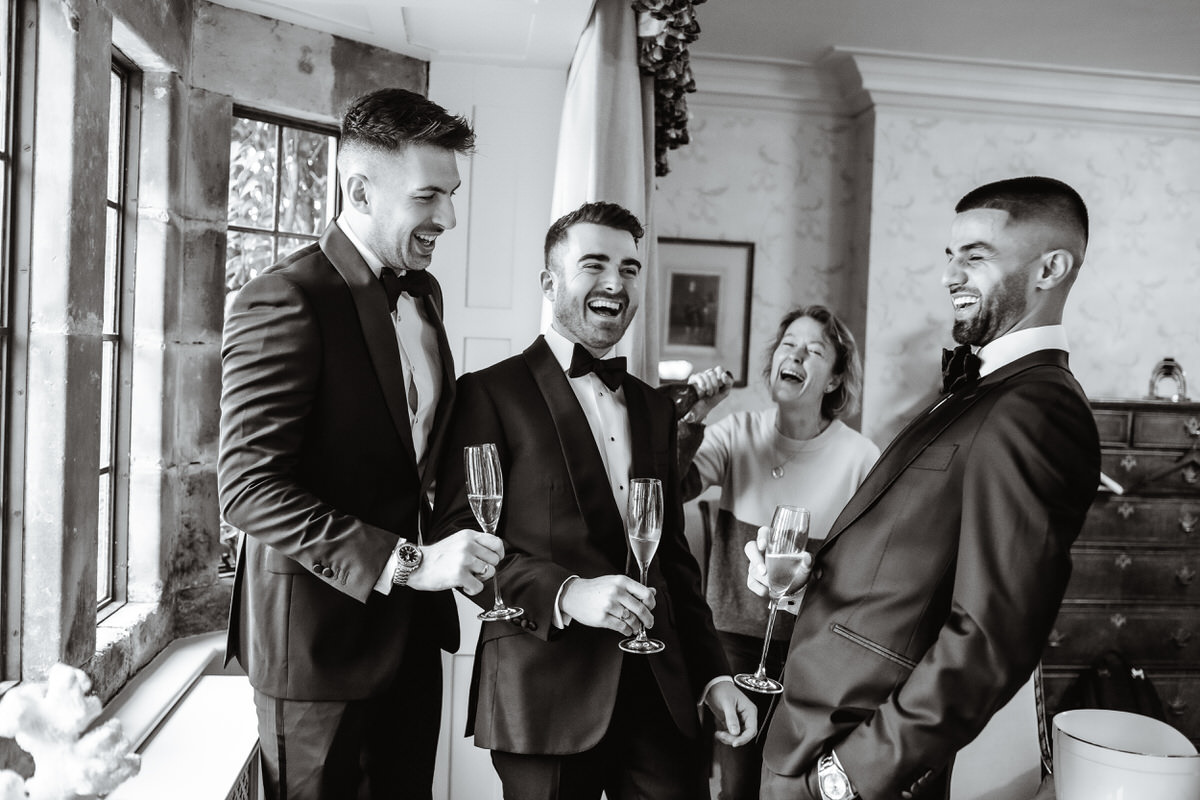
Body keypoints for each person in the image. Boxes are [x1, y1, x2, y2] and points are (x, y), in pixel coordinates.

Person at [746, 176, 1101, 800]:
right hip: (807, 731)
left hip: (849, 764)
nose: (950, 275)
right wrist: (815, 578)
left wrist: (849, 777)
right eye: (949, 256)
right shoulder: (979, 390)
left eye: (976, 256)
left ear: (1051, 267)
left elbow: (990, 638)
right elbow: (917, 561)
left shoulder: (1038, 410)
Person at [218, 88, 505, 800]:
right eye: (429, 195)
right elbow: (249, 489)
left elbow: (415, 462)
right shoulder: (284, 298)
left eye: (453, 194)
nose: (449, 217)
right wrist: (409, 563)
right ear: (360, 189)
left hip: (412, 638)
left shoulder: (424, 295)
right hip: (313, 652)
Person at [430, 201, 758, 800]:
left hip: (662, 693)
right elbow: (458, 536)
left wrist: (714, 674)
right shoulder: (488, 394)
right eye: (595, 264)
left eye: (630, 269)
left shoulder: (656, 407)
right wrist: (566, 593)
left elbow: (673, 560)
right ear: (549, 282)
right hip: (543, 692)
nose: (616, 283)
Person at [676, 305, 881, 800]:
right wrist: (693, 420)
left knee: (792, 788)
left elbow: (873, 564)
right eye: (788, 344)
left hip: (814, 650)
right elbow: (673, 486)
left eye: (814, 350)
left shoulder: (861, 459)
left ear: (833, 379)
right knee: (737, 786)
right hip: (732, 645)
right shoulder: (737, 433)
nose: (795, 355)